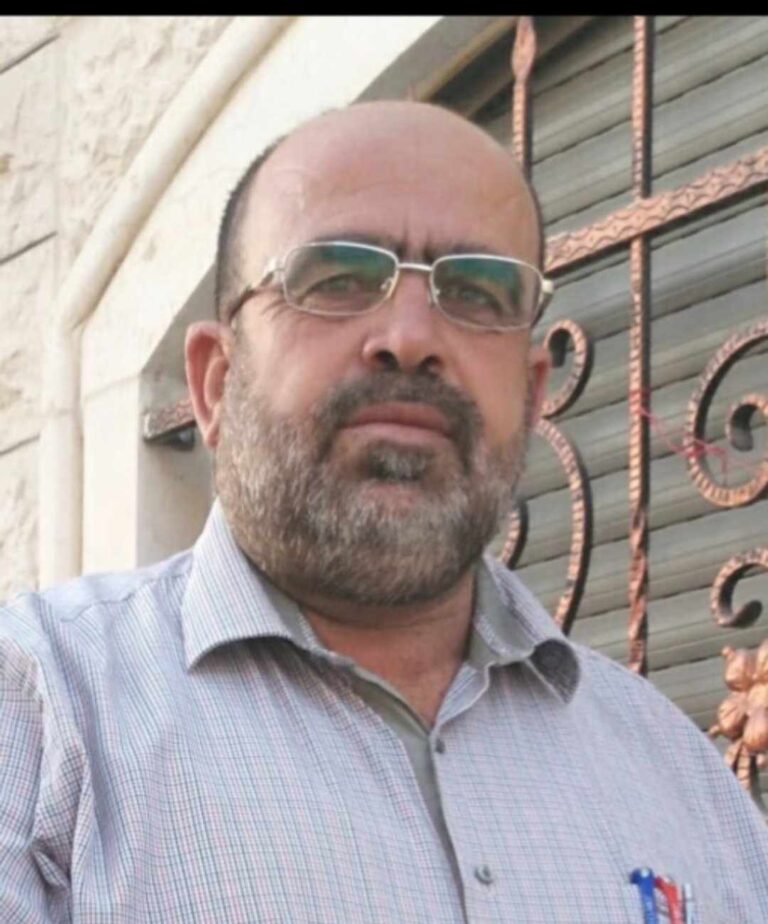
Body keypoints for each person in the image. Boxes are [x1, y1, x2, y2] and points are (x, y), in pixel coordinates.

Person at [1, 101, 766, 924]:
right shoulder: (41, 717)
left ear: (532, 392)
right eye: (336, 279)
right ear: (216, 382)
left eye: (476, 291)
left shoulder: (687, 786)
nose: (409, 336)